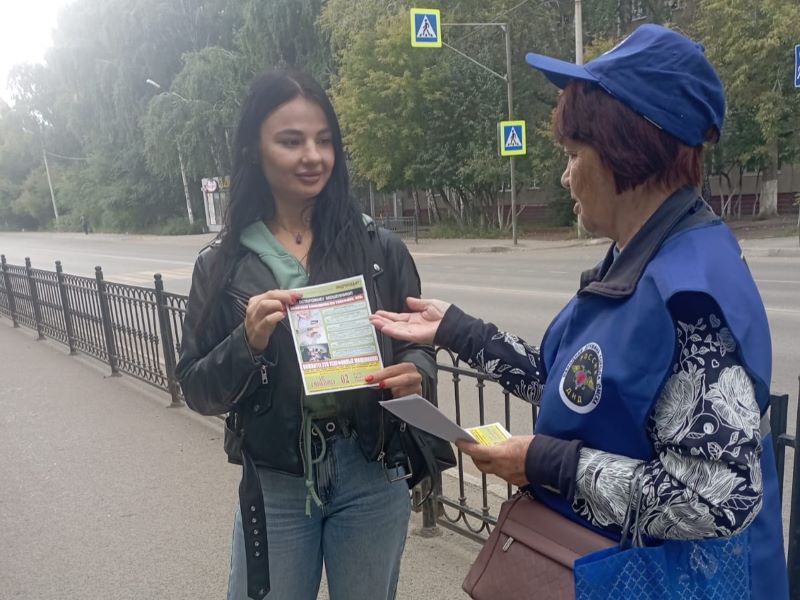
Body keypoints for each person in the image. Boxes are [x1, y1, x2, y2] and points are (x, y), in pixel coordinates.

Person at [370, 24, 788, 599]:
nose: (565, 176)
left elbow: (716, 497)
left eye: (572, 154)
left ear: (625, 148)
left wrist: (546, 463)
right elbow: (575, 385)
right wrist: (458, 331)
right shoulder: (635, 260)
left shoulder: (691, 295)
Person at [176, 70, 436, 600]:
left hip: (372, 470)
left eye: (324, 140)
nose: (312, 155)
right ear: (254, 149)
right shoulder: (223, 265)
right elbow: (196, 387)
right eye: (291, 141)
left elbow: (417, 342)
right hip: (278, 478)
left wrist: (418, 373)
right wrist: (245, 344)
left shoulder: (376, 248)